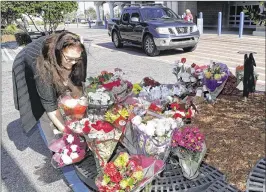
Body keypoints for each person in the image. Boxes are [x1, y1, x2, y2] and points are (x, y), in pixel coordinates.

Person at [12, 31, 87, 146]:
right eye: (69, 59)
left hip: (54, 61)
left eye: (76, 59)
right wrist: (68, 132)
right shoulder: (40, 64)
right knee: (44, 112)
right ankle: (54, 145)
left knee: (68, 94)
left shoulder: (78, 52)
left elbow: (77, 85)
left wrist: (72, 87)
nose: (73, 63)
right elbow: (49, 105)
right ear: (58, 52)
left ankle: (65, 126)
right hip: (29, 62)